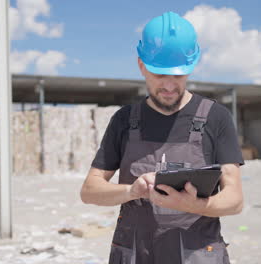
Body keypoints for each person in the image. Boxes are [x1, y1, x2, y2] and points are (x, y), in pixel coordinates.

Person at [80, 11, 244, 264]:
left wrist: (194, 204)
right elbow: (90, 191)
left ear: (191, 67)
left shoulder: (215, 117)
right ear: (141, 65)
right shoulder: (124, 120)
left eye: (178, 75)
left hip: (197, 255)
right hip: (136, 253)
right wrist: (131, 191)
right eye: (159, 75)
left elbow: (234, 200)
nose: (169, 86)